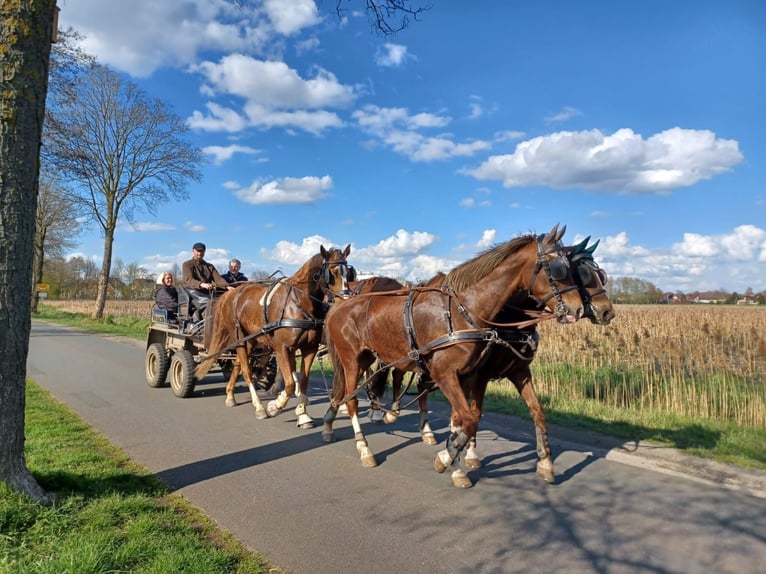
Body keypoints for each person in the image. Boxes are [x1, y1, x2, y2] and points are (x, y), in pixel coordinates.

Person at [182, 242, 232, 320]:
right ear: (193, 251)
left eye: (202, 251)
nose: (200, 253)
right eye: (198, 251)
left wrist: (227, 286)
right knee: (209, 304)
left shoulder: (209, 266)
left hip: (207, 292)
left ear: (204, 252)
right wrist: (202, 284)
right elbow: (189, 280)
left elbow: (218, 279)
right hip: (192, 292)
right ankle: (207, 325)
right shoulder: (187, 264)